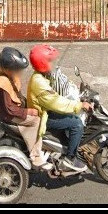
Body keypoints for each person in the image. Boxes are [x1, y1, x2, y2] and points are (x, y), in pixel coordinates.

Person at [27, 44, 92, 173]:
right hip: (44, 116)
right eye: (50, 61)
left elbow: (59, 88)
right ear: (42, 63)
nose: (53, 63)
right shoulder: (39, 82)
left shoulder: (42, 76)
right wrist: (78, 105)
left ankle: (64, 147)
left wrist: (75, 93)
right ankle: (69, 159)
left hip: (47, 110)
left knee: (70, 118)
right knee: (76, 124)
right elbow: (56, 102)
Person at [0, 47, 50, 170]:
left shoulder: (8, 76)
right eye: (18, 69)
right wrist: (28, 111)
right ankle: (36, 157)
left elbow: (17, 97)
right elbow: (10, 109)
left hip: (13, 111)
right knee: (37, 121)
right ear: (8, 69)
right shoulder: (1, 84)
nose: (20, 72)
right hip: (9, 115)